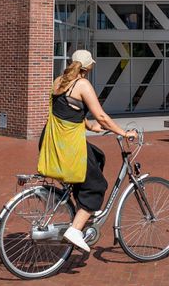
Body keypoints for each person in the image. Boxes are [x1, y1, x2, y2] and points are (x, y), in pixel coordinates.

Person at [46, 50, 137, 254]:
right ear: (88, 68)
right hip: (69, 146)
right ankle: (76, 229)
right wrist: (123, 133)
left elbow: (65, 111)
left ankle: (84, 209)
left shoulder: (59, 81)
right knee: (97, 185)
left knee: (97, 156)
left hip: (54, 141)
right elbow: (102, 116)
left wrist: (88, 126)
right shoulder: (82, 84)